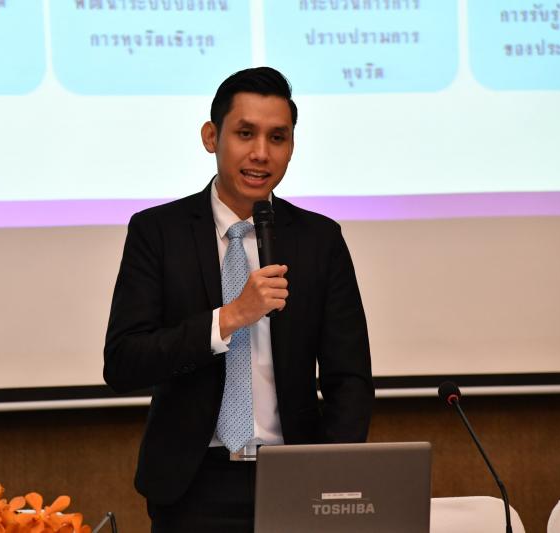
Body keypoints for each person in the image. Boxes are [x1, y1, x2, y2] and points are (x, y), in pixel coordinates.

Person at [103, 66, 373, 532]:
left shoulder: (319, 240)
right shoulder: (158, 232)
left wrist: (330, 471)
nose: (261, 154)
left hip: (296, 477)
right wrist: (228, 319)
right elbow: (124, 362)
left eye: (277, 137)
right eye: (245, 134)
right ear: (211, 137)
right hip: (191, 485)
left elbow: (349, 378)